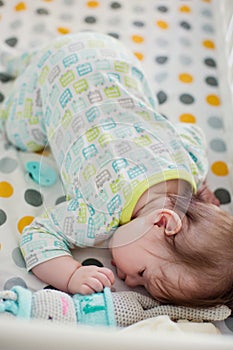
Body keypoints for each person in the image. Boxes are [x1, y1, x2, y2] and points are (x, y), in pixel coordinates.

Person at [1, 32, 233, 308]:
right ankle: (30, 67)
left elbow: (191, 132)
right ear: (162, 222)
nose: (131, 282)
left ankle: (30, 57)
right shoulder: (101, 215)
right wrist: (71, 274)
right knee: (20, 135)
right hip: (53, 77)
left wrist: (201, 188)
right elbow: (37, 236)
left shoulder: (189, 165)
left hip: (107, 53)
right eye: (143, 274)